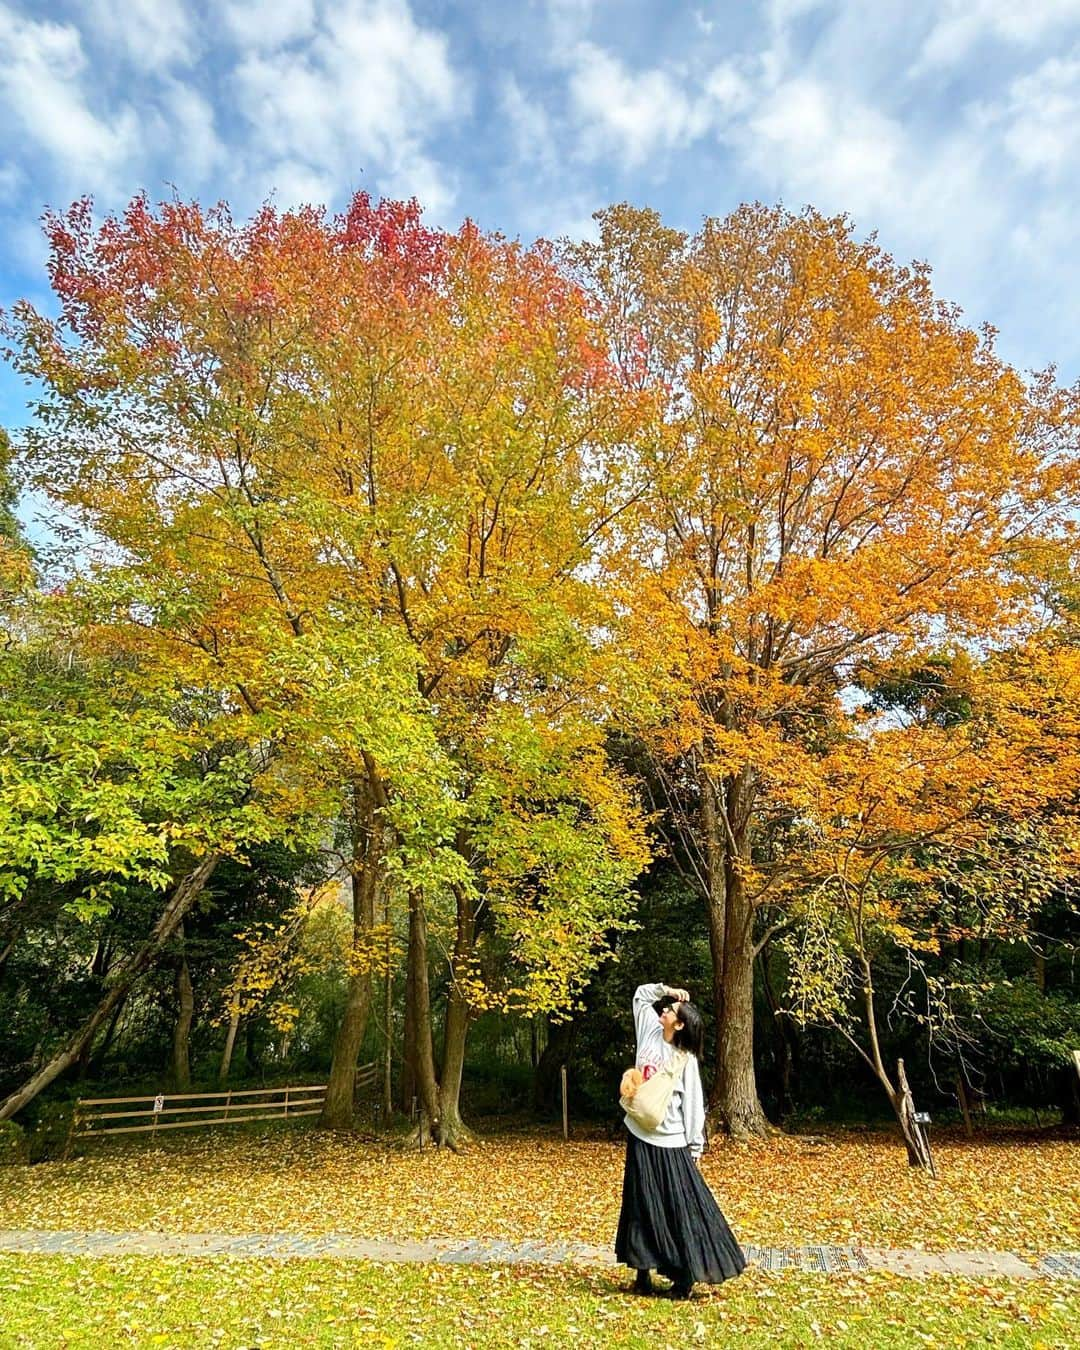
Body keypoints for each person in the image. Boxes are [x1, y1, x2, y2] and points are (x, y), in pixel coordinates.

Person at [615, 981, 746, 1298]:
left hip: (671, 1143)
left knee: (678, 1211)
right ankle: (642, 1275)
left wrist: (695, 1146)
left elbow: (692, 1105)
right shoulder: (648, 1029)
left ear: (680, 1023)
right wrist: (668, 990)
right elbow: (640, 995)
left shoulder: (684, 1059)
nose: (665, 1010)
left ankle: (685, 1278)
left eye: (671, 1010)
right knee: (639, 1207)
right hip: (639, 1136)